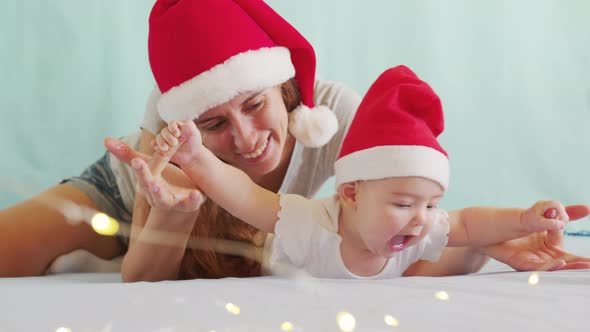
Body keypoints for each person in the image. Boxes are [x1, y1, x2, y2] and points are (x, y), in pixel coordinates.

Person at [1, 0, 589, 279]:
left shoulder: (336, 115)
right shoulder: (175, 147)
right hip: (117, 196)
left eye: (254, 105)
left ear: (281, 87)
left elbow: (396, 241)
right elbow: (145, 283)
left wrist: (488, 241)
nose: (247, 138)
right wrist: (174, 215)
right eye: (215, 125)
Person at [142, 66, 586, 278]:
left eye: (429, 203)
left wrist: (526, 219)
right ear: (351, 193)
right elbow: (243, 194)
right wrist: (197, 159)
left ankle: (498, 250)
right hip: (262, 257)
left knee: (468, 249)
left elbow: (469, 220)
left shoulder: (418, 226)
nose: (421, 217)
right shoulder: (310, 224)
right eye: (402, 203)